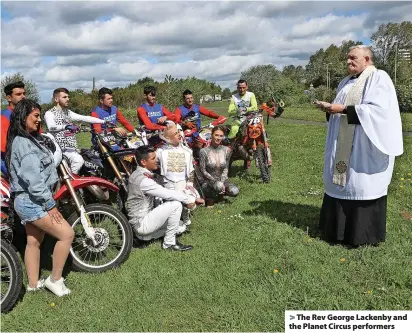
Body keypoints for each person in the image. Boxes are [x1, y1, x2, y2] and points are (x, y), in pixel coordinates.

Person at [315, 45, 403, 247]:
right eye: (347, 58)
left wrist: (343, 109)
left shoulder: (379, 78)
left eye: (353, 58)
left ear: (367, 59)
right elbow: (340, 108)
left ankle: (362, 234)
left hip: (364, 145)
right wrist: (330, 109)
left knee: (361, 183)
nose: (348, 62)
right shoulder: (345, 82)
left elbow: (380, 112)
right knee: (341, 183)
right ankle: (336, 232)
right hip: (343, 143)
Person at [5, 99, 74, 296]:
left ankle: (33, 284)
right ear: (23, 117)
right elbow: (34, 182)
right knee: (66, 234)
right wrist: (50, 206)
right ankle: (55, 280)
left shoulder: (27, 139)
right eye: (35, 116)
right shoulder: (24, 144)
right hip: (32, 201)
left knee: (34, 241)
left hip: (28, 200)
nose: (38, 119)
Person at [125, 145, 196, 251]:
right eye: (153, 158)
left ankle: (144, 238)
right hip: (141, 224)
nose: (157, 160)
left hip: (139, 223)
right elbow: (167, 193)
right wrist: (189, 200)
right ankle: (169, 244)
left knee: (181, 226)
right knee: (176, 205)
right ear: (143, 162)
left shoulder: (136, 173)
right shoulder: (143, 180)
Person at [44, 88, 106, 174]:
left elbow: (85, 118)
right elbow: (51, 127)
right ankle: (70, 183)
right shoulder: (50, 113)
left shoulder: (68, 113)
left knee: (90, 159)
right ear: (56, 99)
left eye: (68, 97)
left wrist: (104, 121)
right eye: (64, 97)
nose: (68, 99)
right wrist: (65, 126)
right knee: (78, 161)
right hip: (58, 149)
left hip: (71, 148)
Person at [156, 122, 204, 230]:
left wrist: (190, 183)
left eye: (179, 132)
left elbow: (191, 170)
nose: (179, 135)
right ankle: (173, 223)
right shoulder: (160, 151)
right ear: (168, 138)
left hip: (182, 183)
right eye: (175, 134)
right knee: (172, 205)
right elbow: (154, 166)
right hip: (167, 183)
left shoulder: (187, 151)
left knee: (191, 203)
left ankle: (185, 215)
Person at [198, 126, 239, 207]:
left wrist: (223, 181)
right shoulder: (203, 151)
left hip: (222, 179)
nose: (219, 138)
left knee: (235, 191)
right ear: (211, 135)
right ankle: (210, 199)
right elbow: (203, 170)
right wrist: (215, 181)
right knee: (218, 185)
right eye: (216, 135)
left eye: (221, 136)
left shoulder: (227, 150)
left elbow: (226, 167)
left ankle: (221, 196)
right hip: (208, 181)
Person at [1, 81, 26, 175]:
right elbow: (4, 148)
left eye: (24, 93)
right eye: (19, 94)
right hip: (9, 161)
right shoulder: (3, 117)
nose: (23, 96)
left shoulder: (27, 115)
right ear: (9, 98)